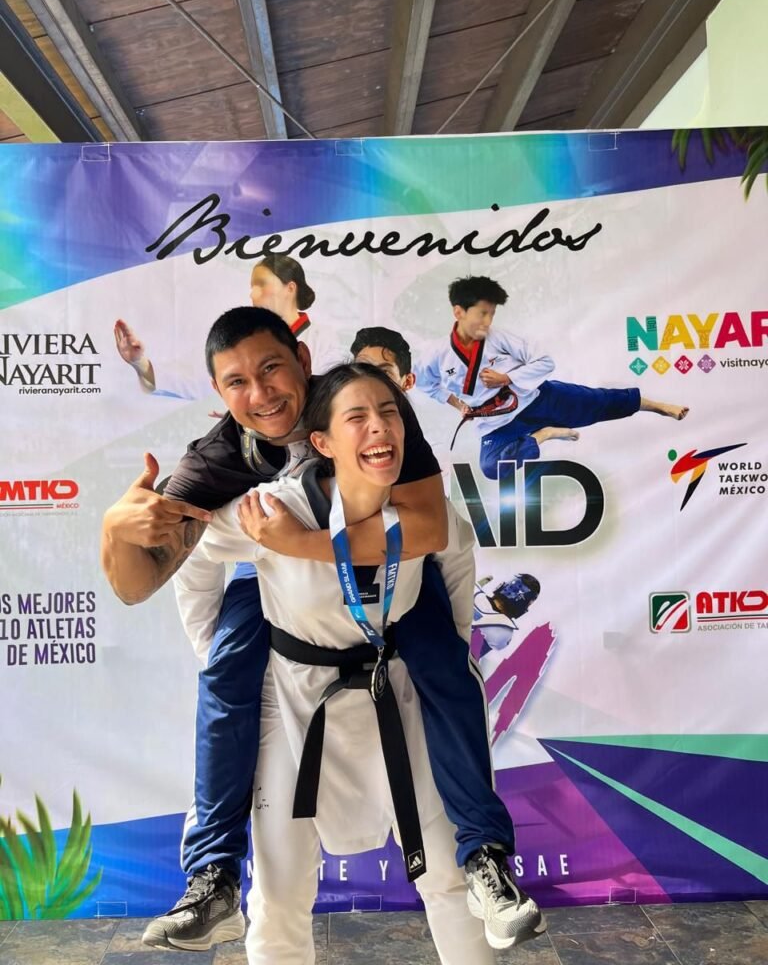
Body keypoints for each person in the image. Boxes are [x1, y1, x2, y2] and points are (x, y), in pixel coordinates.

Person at [100, 307, 538, 952]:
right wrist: (115, 529)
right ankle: (214, 875)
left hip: (388, 581)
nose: (261, 394)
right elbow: (146, 580)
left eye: (272, 369)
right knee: (227, 671)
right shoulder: (225, 466)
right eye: (237, 382)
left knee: (447, 662)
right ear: (220, 392)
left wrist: (304, 546)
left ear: (303, 362)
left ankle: (484, 858)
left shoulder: (367, 409)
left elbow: (434, 530)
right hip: (281, 598)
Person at [417, 276, 689, 480]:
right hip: (495, 422)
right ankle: (545, 434)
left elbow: (545, 362)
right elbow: (425, 383)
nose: (488, 321)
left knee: (598, 402)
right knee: (492, 468)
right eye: (482, 314)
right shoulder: (436, 355)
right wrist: (458, 404)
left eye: (492, 314)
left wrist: (506, 378)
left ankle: (657, 406)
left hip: (536, 398)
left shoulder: (499, 338)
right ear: (459, 312)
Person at [112, 254, 339, 399]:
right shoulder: (241, 340)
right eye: (252, 287)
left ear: (290, 288)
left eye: (262, 285)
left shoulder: (323, 338)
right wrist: (139, 363)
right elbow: (194, 380)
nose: (253, 294)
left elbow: (328, 395)